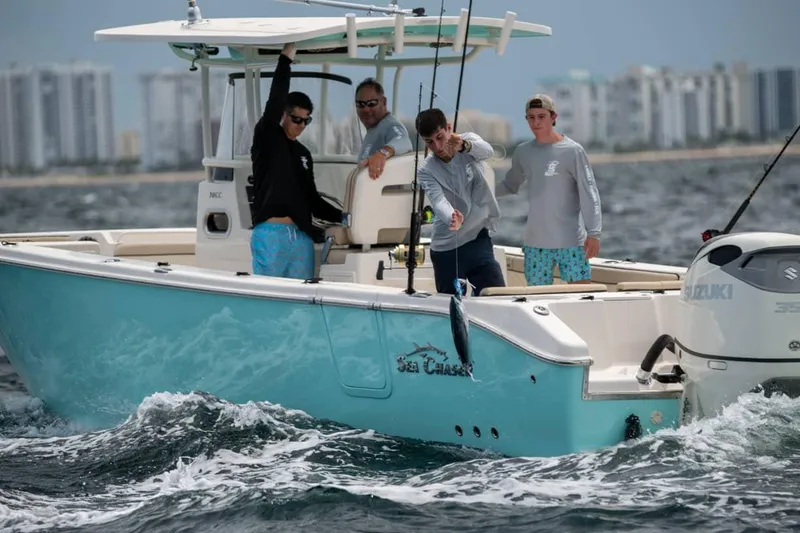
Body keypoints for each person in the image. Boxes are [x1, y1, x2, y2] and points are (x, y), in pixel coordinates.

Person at [249, 42, 349, 279]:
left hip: (301, 238)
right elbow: (274, 102)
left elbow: (313, 201)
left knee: (300, 309)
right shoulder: (267, 136)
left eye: (306, 121)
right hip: (271, 234)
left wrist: (347, 217)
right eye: (296, 119)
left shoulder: (304, 154)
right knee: (269, 301)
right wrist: (285, 61)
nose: (301, 125)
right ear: (284, 115)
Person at [496, 94, 602, 286]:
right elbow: (510, 185)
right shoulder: (522, 152)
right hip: (535, 246)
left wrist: (594, 233)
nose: (536, 122)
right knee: (538, 302)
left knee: (582, 298)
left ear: (554, 117)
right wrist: (480, 193)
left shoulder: (573, 150)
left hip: (571, 243)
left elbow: (590, 193)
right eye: (531, 117)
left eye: (541, 116)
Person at [415, 107, 506, 296]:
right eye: (429, 142)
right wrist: (451, 217)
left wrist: (464, 145)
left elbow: (488, 152)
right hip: (446, 248)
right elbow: (438, 201)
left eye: (440, 137)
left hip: (477, 239)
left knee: (496, 296)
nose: (437, 147)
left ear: (448, 128)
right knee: (453, 308)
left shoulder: (468, 141)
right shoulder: (425, 170)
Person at [354, 77, 413, 179]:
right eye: (360, 104)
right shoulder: (373, 130)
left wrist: (382, 154)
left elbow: (404, 141)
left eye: (371, 103)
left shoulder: (390, 125)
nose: (366, 109)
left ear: (384, 102)